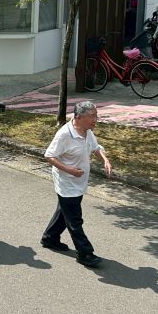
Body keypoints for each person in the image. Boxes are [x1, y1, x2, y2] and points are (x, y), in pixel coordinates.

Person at [41, 101, 112, 267]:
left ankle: (49, 238)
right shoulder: (65, 134)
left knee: (64, 212)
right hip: (67, 184)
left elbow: (95, 148)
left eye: (96, 115)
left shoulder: (87, 131)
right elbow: (49, 156)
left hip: (79, 183)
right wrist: (69, 170)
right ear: (78, 117)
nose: (96, 119)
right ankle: (85, 253)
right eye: (92, 116)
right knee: (74, 220)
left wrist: (105, 161)